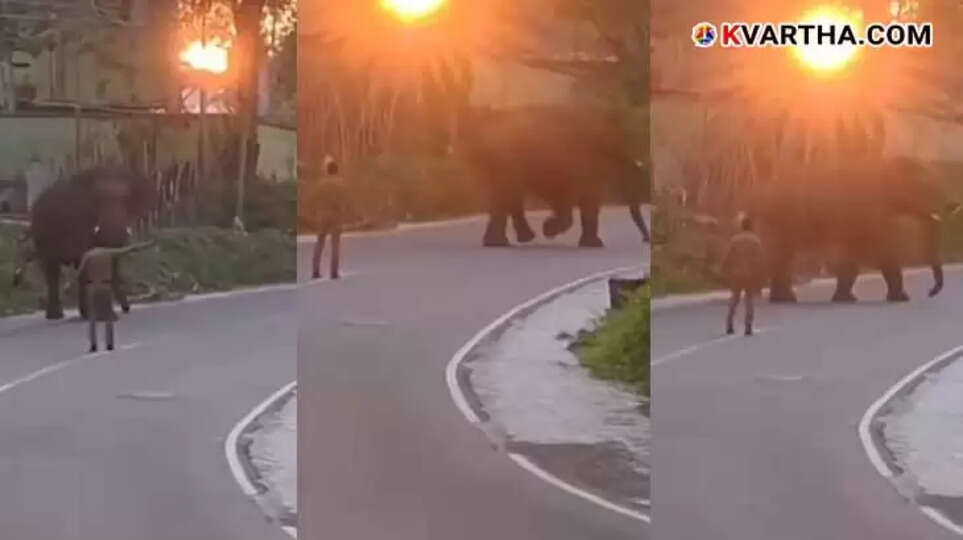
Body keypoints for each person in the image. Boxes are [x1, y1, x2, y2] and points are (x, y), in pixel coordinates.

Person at [77, 241, 153, 353]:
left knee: (92, 316)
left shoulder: (88, 255)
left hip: (92, 286)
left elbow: (79, 274)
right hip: (106, 286)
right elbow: (127, 250)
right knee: (108, 315)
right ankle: (109, 344)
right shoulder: (108, 252)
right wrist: (146, 245)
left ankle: (93, 344)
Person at [721, 215, 766, 336]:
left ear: (741, 226)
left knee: (734, 298)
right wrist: (761, 274)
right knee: (749, 300)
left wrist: (724, 270)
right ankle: (748, 326)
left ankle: (729, 324)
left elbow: (728, 257)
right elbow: (760, 259)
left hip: (736, 273)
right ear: (752, 227)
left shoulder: (735, 240)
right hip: (750, 274)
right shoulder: (755, 241)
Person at [308, 156, 348, 280]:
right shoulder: (340, 184)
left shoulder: (321, 183)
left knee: (319, 242)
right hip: (335, 214)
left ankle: (315, 270)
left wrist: (313, 211)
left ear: (327, 170)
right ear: (337, 170)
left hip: (322, 214)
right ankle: (333, 272)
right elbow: (344, 201)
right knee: (335, 244)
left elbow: (313, 198)